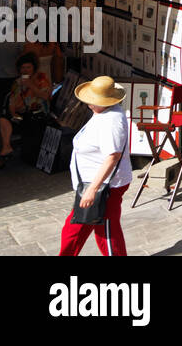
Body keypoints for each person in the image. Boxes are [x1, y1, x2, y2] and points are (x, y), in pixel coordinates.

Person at [58, 75, 133, 256]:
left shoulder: (111, 121)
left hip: (105, 187)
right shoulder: (102, 113)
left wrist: (92, 189)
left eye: (93, 101)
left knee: (106, 233)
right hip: (94, 185)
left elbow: (112, 157)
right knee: (74, 228)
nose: (89, 104)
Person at [0, 52, 52, 168]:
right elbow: (12, 101)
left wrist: (30, 85)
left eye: (28, 67)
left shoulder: (41, 78)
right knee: (3, 120)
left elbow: (45, 96)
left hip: (38, 114)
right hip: (22, 113)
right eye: (23, 67)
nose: (25, 70)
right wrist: (13, 113)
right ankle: (6, 147)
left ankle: (6, 153)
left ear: (33, 67)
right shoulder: (18, 82)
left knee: (26, 121)